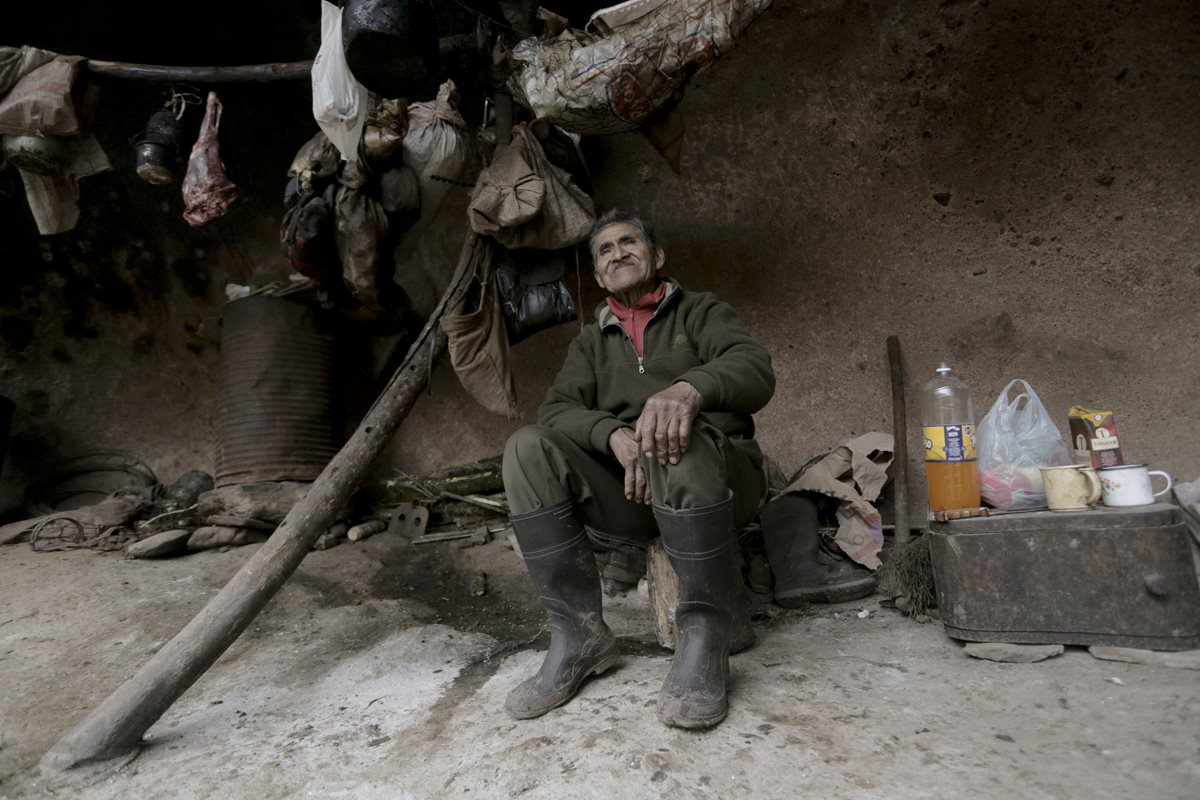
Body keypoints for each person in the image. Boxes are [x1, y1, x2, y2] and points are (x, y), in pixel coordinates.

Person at [501, 208, 775, 729]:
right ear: (599, 276)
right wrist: (612, 435)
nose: (617, 254)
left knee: (675, 435)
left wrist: (688, 391)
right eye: (605, 250)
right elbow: (556, 410)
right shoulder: (590, 341)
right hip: (637, 494)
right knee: (526, 447)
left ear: (658, 255)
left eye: (629, 242)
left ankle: (705, 637)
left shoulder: (701, 312)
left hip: (716, 484)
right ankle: (578, 635)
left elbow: (755, 368)